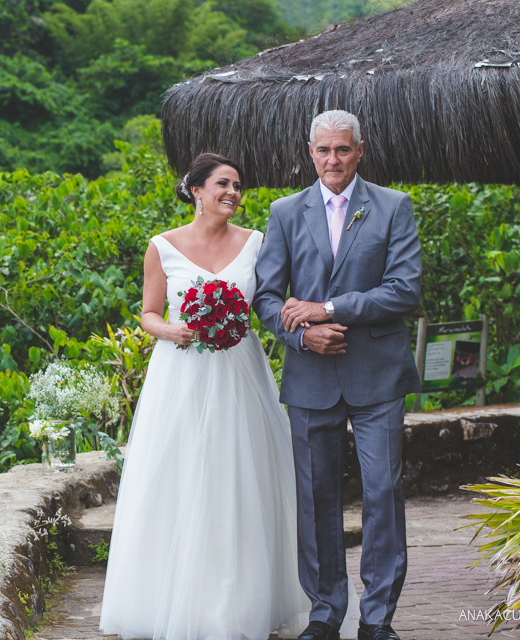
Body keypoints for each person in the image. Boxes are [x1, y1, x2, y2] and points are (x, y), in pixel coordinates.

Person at [100, 152, 359, 640]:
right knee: (180, 481)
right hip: (181, 376)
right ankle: (177, 601)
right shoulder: (162, 246)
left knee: (243, 479)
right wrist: (171, 331)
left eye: (238, 186)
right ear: (196, 190)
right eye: (223, 184)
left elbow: (267, 301)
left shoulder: (256, 242)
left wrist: (307, 316)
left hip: (241, 373)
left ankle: (241, 604)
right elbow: (148, 313)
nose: (233, 194)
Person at [254, 110, 422, 640]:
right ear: (310, 152)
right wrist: (303, 336)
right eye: (324, 151)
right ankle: (325, 612)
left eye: (343, 150)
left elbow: (403, 290)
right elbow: (265, 298)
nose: (333, 160)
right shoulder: (283, 212)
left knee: (381, 492)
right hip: (310, 375)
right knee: (316, 494)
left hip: (378, 374)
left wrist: (326, 308)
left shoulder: (393, 207)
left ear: (360, 150)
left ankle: (377, 619)